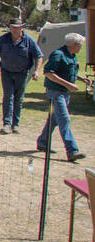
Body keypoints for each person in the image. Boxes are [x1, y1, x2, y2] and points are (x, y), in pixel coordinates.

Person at [36, 32, 88, 162]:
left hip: (65, 93)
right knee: (64, 120)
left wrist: (81, 79)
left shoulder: (72, 55)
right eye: (80, 45)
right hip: (55, 93)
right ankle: (72, 151)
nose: (81, 47)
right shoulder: (58, 54)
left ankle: (42, 142)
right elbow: (49, 73)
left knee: (54, 119)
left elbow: (67, 72)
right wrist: (68, 84)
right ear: (74, 44)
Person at [0, 18, 43, 134]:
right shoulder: (3, 39)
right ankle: (7, 124)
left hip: (22, 73)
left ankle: (15, 125)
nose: (14, 30)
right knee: (8, 97)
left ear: (22, 28)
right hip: (6, 72)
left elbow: (38, 56)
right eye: (12, 27)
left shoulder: (29, 40)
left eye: (17, 27)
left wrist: (37, 71)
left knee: (19, 99)